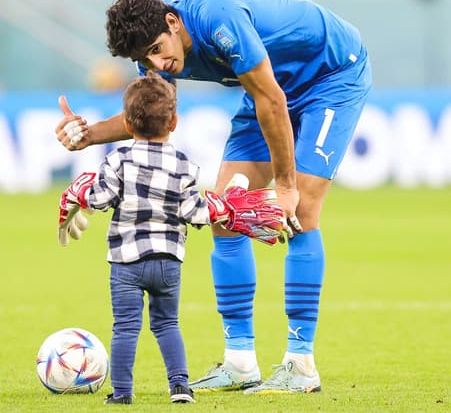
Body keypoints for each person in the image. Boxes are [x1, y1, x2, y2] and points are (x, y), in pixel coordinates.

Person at [55, 0, 372, 395]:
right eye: (143, 58)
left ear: (173, 21)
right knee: (227, 217)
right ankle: (240, 362)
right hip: (269, 88)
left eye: (157, 48)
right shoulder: (156, 52)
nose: (157, 62)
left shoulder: (216, 16)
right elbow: (150, 113)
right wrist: (89, 134)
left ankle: (301, 363)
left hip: (330, 75)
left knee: (299, 212)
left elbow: (271, 100)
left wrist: (287, 185)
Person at [57, 71, 286, 405]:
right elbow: (195, 212)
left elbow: (100, 199)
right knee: (167, 325)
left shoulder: (118, 160)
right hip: (168, 262)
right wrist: (225, 209)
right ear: (174, 122)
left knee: (125, 328)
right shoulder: (183, 165)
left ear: (129, 126)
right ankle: (180, 387)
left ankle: (122, 393)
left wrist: (79, 192)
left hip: (126, 262)